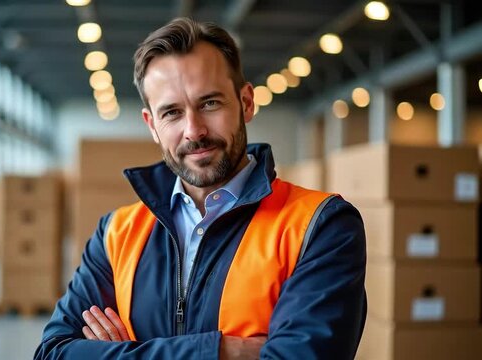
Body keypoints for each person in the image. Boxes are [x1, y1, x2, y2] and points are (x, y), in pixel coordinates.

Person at [34, 17, 366, 359]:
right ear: (152, 125)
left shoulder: (321, 226)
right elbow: (53, 352)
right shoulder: (116, 234)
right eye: (172, 113)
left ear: (246, 102)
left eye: (210, 103)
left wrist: (124, 353)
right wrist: (220, 351)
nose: (193, 130)